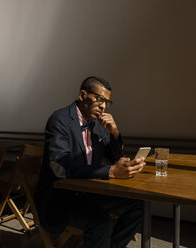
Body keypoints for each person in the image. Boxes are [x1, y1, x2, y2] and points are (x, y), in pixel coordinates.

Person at [34, 76, 146, 248]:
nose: (103, 106)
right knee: (101, 222)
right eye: (99, 99)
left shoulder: (98, 125)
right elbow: (59, 166)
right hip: (59, 201)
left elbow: (116, 158)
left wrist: (115, 132)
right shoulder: (59, 119)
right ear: (82, 95)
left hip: (87, 194)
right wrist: (110, 172)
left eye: (107, 102)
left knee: (139, 204)